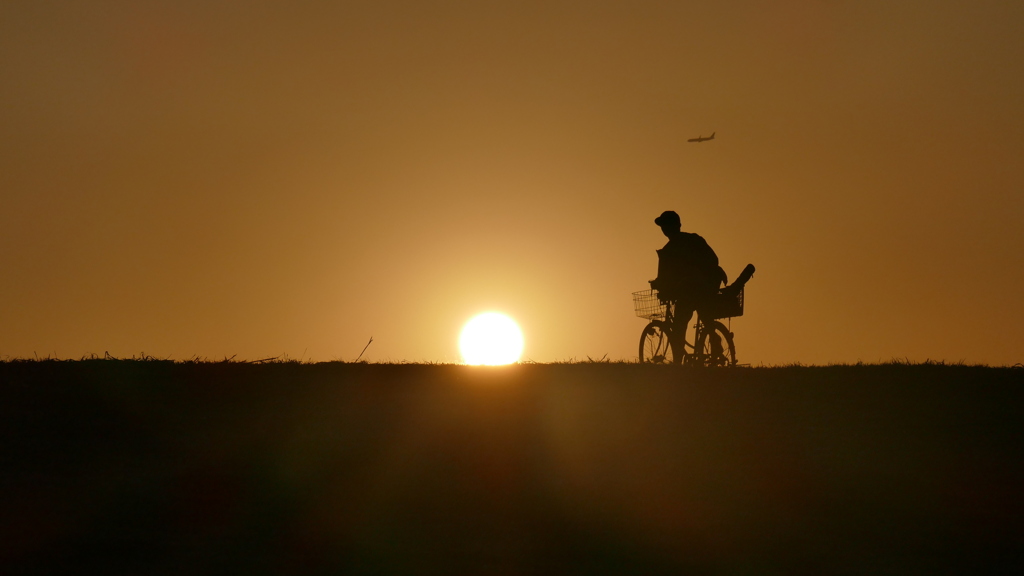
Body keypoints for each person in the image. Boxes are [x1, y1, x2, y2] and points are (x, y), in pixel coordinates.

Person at [649, 210, 726, 361]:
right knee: (705, 315)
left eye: (665, 226)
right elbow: (714, 259)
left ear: (671, 227)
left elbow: (666, 276)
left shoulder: (669, 249)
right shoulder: (695, 239)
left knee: (679, 323)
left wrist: (658, 284)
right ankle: (713, 337)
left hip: (692, 289)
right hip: (709, 284)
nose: (664, 229)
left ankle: (678, 360)